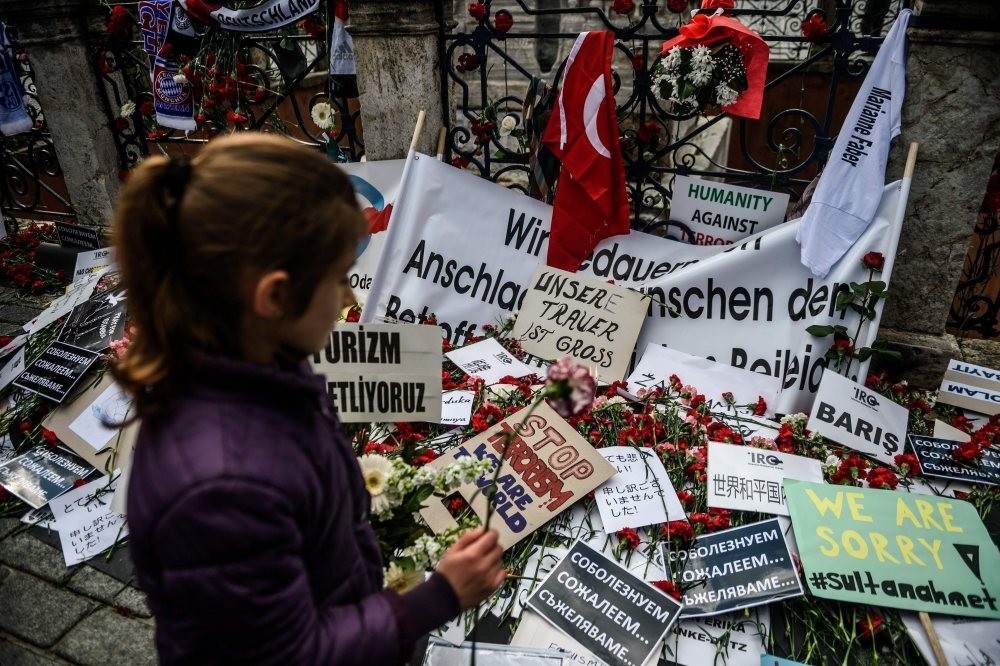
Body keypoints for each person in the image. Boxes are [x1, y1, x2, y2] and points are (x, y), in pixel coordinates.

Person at [112, 132, 505, 664]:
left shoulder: (261, 367)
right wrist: (438, 597)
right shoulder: (221, 488)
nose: (350, 296)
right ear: (274, 296)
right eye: (340, 277)